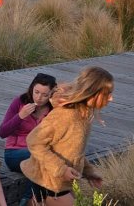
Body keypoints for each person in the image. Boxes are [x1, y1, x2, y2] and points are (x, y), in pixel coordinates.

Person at [21, 66, 114, 205]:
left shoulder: (83, 115)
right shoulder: (65, 115)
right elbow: (34, 141)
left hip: (61, 183)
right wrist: (60, 169)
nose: (111, 98)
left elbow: (74, 151)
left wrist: (89, 173)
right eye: (107, 94)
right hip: (49, 183)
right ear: (93, 92)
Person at [0, 73, 57, 206]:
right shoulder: (19, 102)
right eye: (36, 92)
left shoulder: (53, 110)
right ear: (31, 89)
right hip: (14, 153)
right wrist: (20, 116)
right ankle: (28, 201)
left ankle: (29, 201)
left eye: (45, 94)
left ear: (51, 95)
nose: (39, 97)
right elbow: (2, 132)